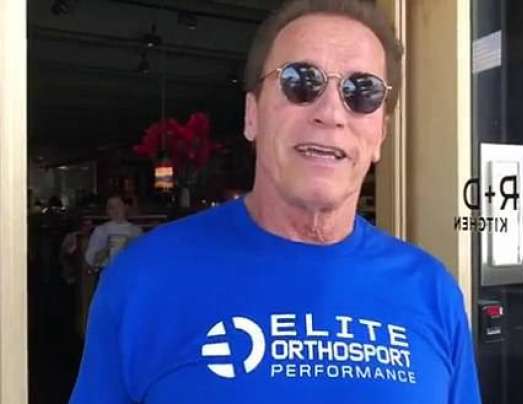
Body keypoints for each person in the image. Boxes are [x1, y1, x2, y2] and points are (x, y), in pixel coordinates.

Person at [70, 1, 481, 403]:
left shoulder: (432, 291)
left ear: (380, 135)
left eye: (362, 91)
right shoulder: (145, 278)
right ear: (252, 115)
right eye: (301, 81)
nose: (331, 113)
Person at [84, 194, 142, 271]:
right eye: (111, 207)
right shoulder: (101, 230)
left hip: (129, 271)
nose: (115, 210)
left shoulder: (136, 230)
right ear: (107, 211)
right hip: (107, 270)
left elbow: (142, 256)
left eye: (118, 205)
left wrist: (130, 247)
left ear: (125, 207)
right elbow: (91, 260)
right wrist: (107, 249)